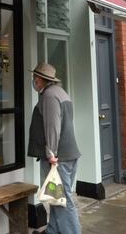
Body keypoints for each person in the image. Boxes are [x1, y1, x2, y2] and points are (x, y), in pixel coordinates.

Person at [28, 63, 81, 234]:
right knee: (56, 198)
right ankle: (53, 230)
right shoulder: (61, 92)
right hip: (68, 154)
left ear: (42, 79)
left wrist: (51, 154)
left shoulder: (49, 96)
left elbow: (52, 126)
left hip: (58, 159)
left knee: (63, 200)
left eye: (35, 77)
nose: (34, 80)